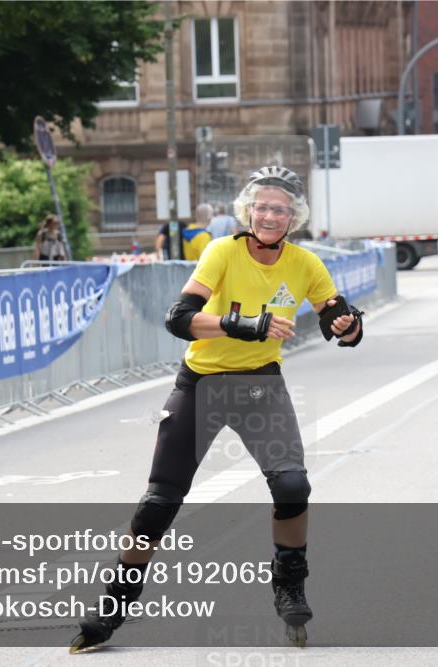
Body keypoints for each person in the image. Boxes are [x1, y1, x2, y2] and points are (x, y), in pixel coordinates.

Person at [70, 166, 364, 653]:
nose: (270, 216)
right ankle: (115, 603)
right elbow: (179, 318)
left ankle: (289, 583)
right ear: (248, 212)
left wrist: (349, 327)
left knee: (292, 484)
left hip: (260, 388)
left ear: (295, 217)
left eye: (281, 209)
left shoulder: (306, 264)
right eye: (263, 207)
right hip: (202, 383)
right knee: (158, 505)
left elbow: (339, 322)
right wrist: (247, 324)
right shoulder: (221, 251)